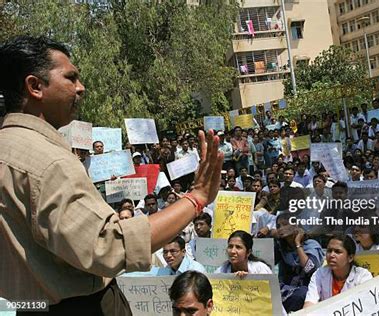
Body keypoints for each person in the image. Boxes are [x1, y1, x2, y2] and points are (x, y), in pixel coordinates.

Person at [0, 36, 223, 314]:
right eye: (70, 78)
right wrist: (196, 198)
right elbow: (108, 246)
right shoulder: (49, 161)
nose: (80, 88)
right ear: (35, 86)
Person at [303, 235, 372, 307]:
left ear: (350, 258)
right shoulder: (319, 273)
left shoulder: (362, 276)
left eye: (337, 252)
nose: (332, 255)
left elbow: (366, 306)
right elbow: (309, 303)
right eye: (329, 251)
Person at [275, 213, 324, 313]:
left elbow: (309, 268)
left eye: (285, 224)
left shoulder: (311, 245)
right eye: (278, 226)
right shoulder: (282, 248)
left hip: (307, 290)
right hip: (287, 289)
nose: (281, 228)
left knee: (302, 294)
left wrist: (298, 244)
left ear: (295, 225)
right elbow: (266, 262)